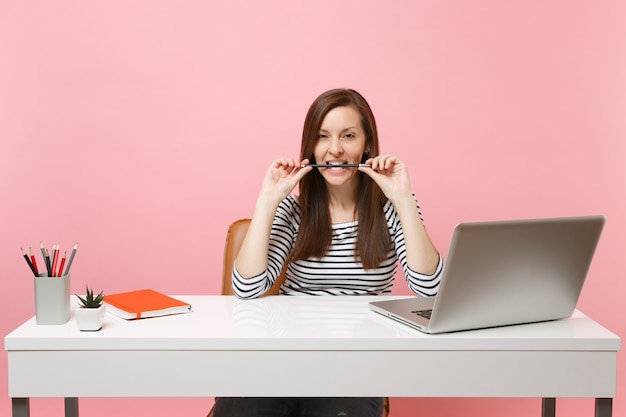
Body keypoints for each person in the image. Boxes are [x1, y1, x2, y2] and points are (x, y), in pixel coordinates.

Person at [212, 88, 443, 417]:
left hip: (354, 364)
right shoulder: (294, 212)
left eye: (348, 136)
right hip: (280, 359)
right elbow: (247, 289)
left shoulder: (391, 207)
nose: (335, 149)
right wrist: (267, 200)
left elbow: (430, 290)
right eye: (323, 137)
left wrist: (403, 199)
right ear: (311, 147)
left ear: (366, 145)